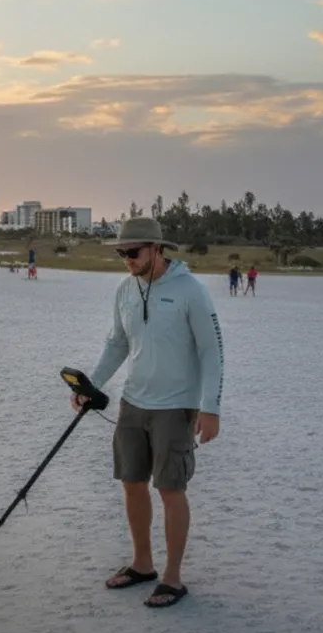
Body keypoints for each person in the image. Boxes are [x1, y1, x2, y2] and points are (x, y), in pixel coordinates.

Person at [69, 216, 224, 609]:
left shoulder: (190, 290)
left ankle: (172, 578)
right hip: (133, 403)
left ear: (157, 249)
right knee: (131, 482)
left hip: (176, 406)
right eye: (121, 253)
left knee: (171, 489)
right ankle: (142, 564)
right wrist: (92, 386)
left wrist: (211, 408)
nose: (127, 259)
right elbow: (117, 343)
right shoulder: (125, 289)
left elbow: (211, 351)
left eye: (133, 252)